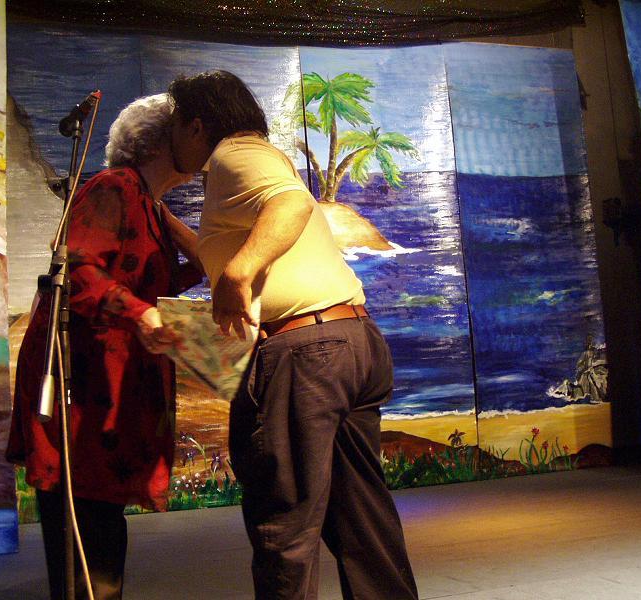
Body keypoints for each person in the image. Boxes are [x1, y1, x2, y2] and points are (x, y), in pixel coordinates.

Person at [168, 71, 419, 600]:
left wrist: (239, 273)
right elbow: (224, 249)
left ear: (196, 126)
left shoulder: (234, 154)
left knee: (284, 524)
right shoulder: (259, 159)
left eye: (174, 127)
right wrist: (169, 223)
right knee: (362, 518)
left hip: (308, 354)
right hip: (352, 340)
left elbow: (293, 205)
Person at [6, 93, 203, 600]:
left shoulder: (147, 203)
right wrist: (140, 313)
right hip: (84, 384)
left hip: (111, 384)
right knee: (86, 524)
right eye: (188, 130)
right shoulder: (114, 186)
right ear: (159, 142)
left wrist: (177, 228)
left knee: (102, 523)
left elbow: (165, 277)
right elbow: (79, 269)